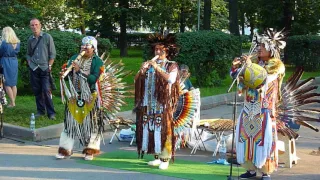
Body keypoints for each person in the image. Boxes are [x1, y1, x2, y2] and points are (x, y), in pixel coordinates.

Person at [231, 28, 286, 180]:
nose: (259, 48)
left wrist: (248, 66)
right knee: (247, 138)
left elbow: (261, 79)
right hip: (249, 108)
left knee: (264, 140)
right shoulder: (256, 63)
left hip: (264, 109)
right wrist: (237, 67)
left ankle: (265, 171)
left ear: (271, 49)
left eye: (262, 46)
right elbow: (240, 79)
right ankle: (251, 169)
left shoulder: (277, 65)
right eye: (259, 45)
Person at [134, 34, 180, 170]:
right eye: (156, 50)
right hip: (148, 103)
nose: (158, 52)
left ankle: (165, 158)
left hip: (163, 104)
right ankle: (156, 156)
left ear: (167, 52)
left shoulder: (171, 65)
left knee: (164, 130)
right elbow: (136, 80)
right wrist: (141, 71)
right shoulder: (148, 66)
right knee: (151, 128)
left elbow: (170, 80)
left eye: (161, 50)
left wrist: (157, 67)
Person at [56, 36, 103, 161]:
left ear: (93, 48)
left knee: (91, 124)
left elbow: (94, 79)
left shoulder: (97, 61)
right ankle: (65, 150)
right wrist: (64, 74)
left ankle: (90, 150)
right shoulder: (73, 58)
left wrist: (80, 70)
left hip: (89, 96)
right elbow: (67, 76)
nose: (84, 48)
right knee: (70, 124)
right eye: (83, 45)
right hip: (74, 96)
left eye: (87, 46)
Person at [26, 18, 56, 119]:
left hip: (44, 68)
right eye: (32, 25)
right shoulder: (30, 39)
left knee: (46, 90)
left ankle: (51, 113)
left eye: (36, 24)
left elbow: (52, 53)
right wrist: (30, 62)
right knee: (37, 91)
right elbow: (28, 54)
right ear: (30, 27)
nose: (34, 27)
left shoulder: (47, 37)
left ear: (40, 25)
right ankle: (40, 111)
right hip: (34, 68)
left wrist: (50, 66)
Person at [0, 27, 20, 108]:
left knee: (7, 83)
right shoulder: (17, 42)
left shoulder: (5, 43)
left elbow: (0, 53)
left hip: (6, 62)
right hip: (14, 62)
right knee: (13, 84)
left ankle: (12, 103)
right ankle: (13, 102)